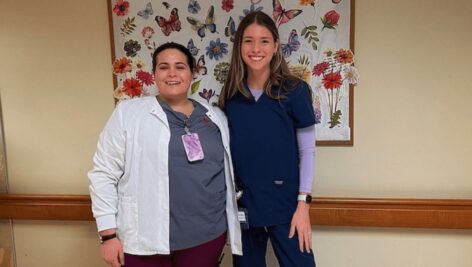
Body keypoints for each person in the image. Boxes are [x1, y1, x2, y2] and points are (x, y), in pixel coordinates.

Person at [88, 42, 242, 267]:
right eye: (163, 67)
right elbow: (103, 174)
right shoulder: (128, 114)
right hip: (145, 241)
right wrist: (108, 235)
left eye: (180, 66)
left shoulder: (215, 116)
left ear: (192, 73)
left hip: (207, 236)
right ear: (154, 74)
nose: (172, 73)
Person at [218, 11, 316, 267]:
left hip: (287, 207)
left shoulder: (295, 91)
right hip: (245, 207)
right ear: (239, 46)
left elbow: (308, 151)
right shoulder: (231, 97)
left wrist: (303, 205)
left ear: (275, 46)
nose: (255, 48)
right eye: (248, 40)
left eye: (264, 41)